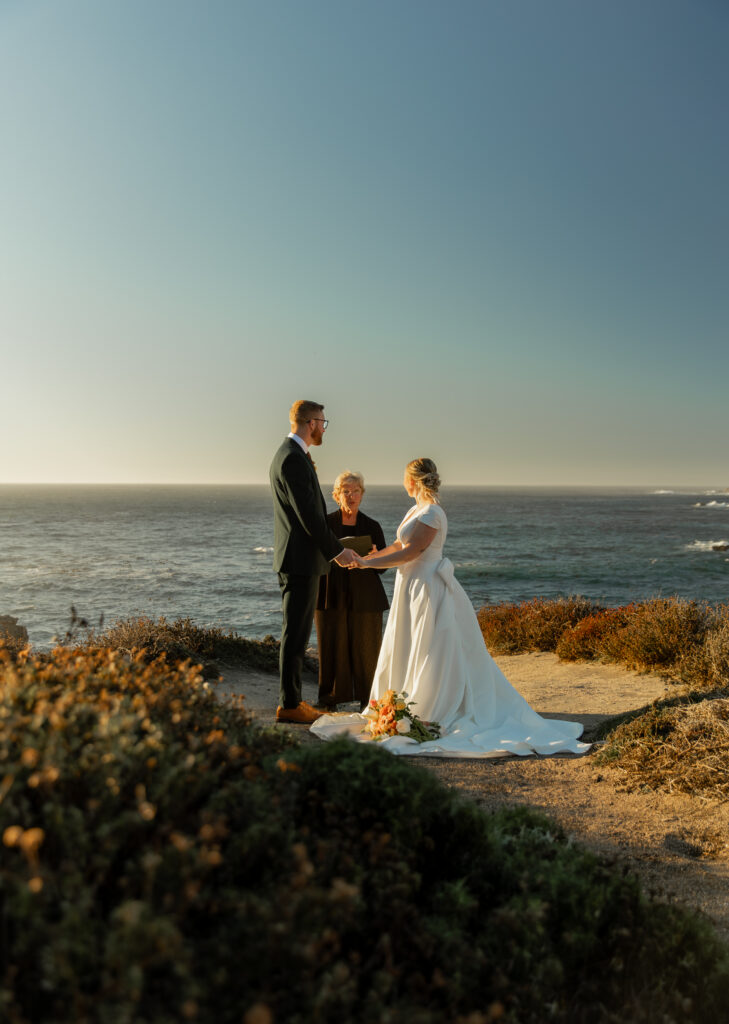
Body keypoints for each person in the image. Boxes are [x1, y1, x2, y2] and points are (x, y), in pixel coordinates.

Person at [311, 458, 589, 757]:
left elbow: (411, 552)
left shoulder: (432, 513)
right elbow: (396, 545)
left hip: (428, 588)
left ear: (413, 481)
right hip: (411, 588)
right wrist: (371, 556)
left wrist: (366, 562)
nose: (403, 482)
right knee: (410, 645)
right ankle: (401, 702)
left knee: (433, 648)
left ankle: (434, 704)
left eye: (405, 478)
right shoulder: (416, 510)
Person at [269, 400, 357, 724]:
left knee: (297, 632)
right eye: (323, 422)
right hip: (300, 560)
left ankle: (292, 701)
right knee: (295, 633)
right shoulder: (292, 458)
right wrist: (338, 551)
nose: (324, 428)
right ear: (310, 423)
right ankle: (290, 704)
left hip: (299, 558)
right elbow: (309, 517)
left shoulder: (293, 455)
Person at [314, 471, 389, 712]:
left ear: (362, 495)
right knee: (330, 647)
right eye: (346, 491)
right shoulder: (325, 524)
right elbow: (314, 557)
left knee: (368, 649)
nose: (351, 496)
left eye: (356, 491)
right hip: (330, 593)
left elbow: (384, 567)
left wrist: (375, 556)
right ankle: (329, 700)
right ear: (336, 496)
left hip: (366, 596)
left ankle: (369, 702)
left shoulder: (372, 526)